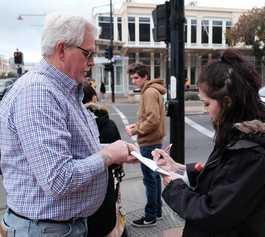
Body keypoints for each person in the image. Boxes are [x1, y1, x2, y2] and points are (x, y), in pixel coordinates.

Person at [0, 13, 134, 236]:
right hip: (45, 229)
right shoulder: (38, 94)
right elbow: (59, 180)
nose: (92, 61)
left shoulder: (61, 90)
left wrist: (117, 152)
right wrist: (108, 155)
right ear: (62, 50)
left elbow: (72, 152)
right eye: (87, 53)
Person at [152, 49, 265, 237]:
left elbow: (213, 213)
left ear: (226, 102)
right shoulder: (237, 135)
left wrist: (173, 186)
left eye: (207, 104)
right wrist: (177, 169)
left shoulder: (251, 154)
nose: (205, 111)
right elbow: (223, 176)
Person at [82, 83, 127, 237]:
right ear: (94, 98)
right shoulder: (108, 124)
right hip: (105, 192)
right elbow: (119, 160)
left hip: (80, 204)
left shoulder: (72, 125)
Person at [126, 63, 166, 227]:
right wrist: (136, 127)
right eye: (132, 78)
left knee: (150, 179)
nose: (134, 81)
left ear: (144, 77)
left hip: (149, 142)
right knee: (154, 178)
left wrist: (136, 130)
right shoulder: (153, 90)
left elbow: (152, 119)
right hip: (154, 140)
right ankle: (157, 211)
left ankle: (150, 216)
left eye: (136, 77)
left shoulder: (149, 92)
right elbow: (150, 118)